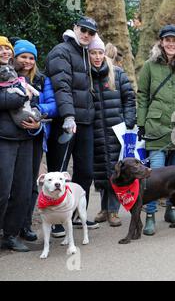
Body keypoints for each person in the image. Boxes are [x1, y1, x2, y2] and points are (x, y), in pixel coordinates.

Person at [137, 24, 175, 236]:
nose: (171, 44)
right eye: (167, 40)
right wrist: (141, 123)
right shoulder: (149, 65)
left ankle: (172, 209)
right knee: (153, 175)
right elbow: (142, 95)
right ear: (161, 42)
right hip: (156, 126)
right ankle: (150, 215)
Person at [45, 16, 100, 237]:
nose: (86, 34)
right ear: (75, 28)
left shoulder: (86, 53)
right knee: (57, 173)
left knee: (85, 172)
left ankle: (76, 214)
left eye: (91, 32)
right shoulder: (62, 51)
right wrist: (68, 116)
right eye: (83, 30)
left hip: (85, 122)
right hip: (66, 123)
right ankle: (55, 220)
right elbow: (62, 86)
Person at [88, 35, 136, 227]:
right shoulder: (86, 76)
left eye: (100, 53)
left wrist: (128, 121)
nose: (97, 57)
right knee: (100, 170)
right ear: (88, 54)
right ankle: (104, 208)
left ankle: (114, 210)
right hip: (96, 131)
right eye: (93, 53)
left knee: (116, 169)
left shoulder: (117, 74)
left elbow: (129, 99)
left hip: (116, 130)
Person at [13, 40, 58, 242]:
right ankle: (10, 226)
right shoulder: (9, 77)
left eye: (31, 58)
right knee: (13, 183)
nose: (28, 61)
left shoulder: (40, 79)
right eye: (23, 57)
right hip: (10, 136)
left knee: (31, 183)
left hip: (35, 136)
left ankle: (25, 224)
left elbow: (53, 105)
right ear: (15, 58)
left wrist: (38, 114)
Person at [0, 35, 34, 252]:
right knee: (2, 191)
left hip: (25, 138)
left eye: (7, 49)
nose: (5, 52)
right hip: (3, 139)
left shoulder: (18, 75)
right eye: (0, 49)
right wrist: (21, 96)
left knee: (22, 190)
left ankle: (10, 235)